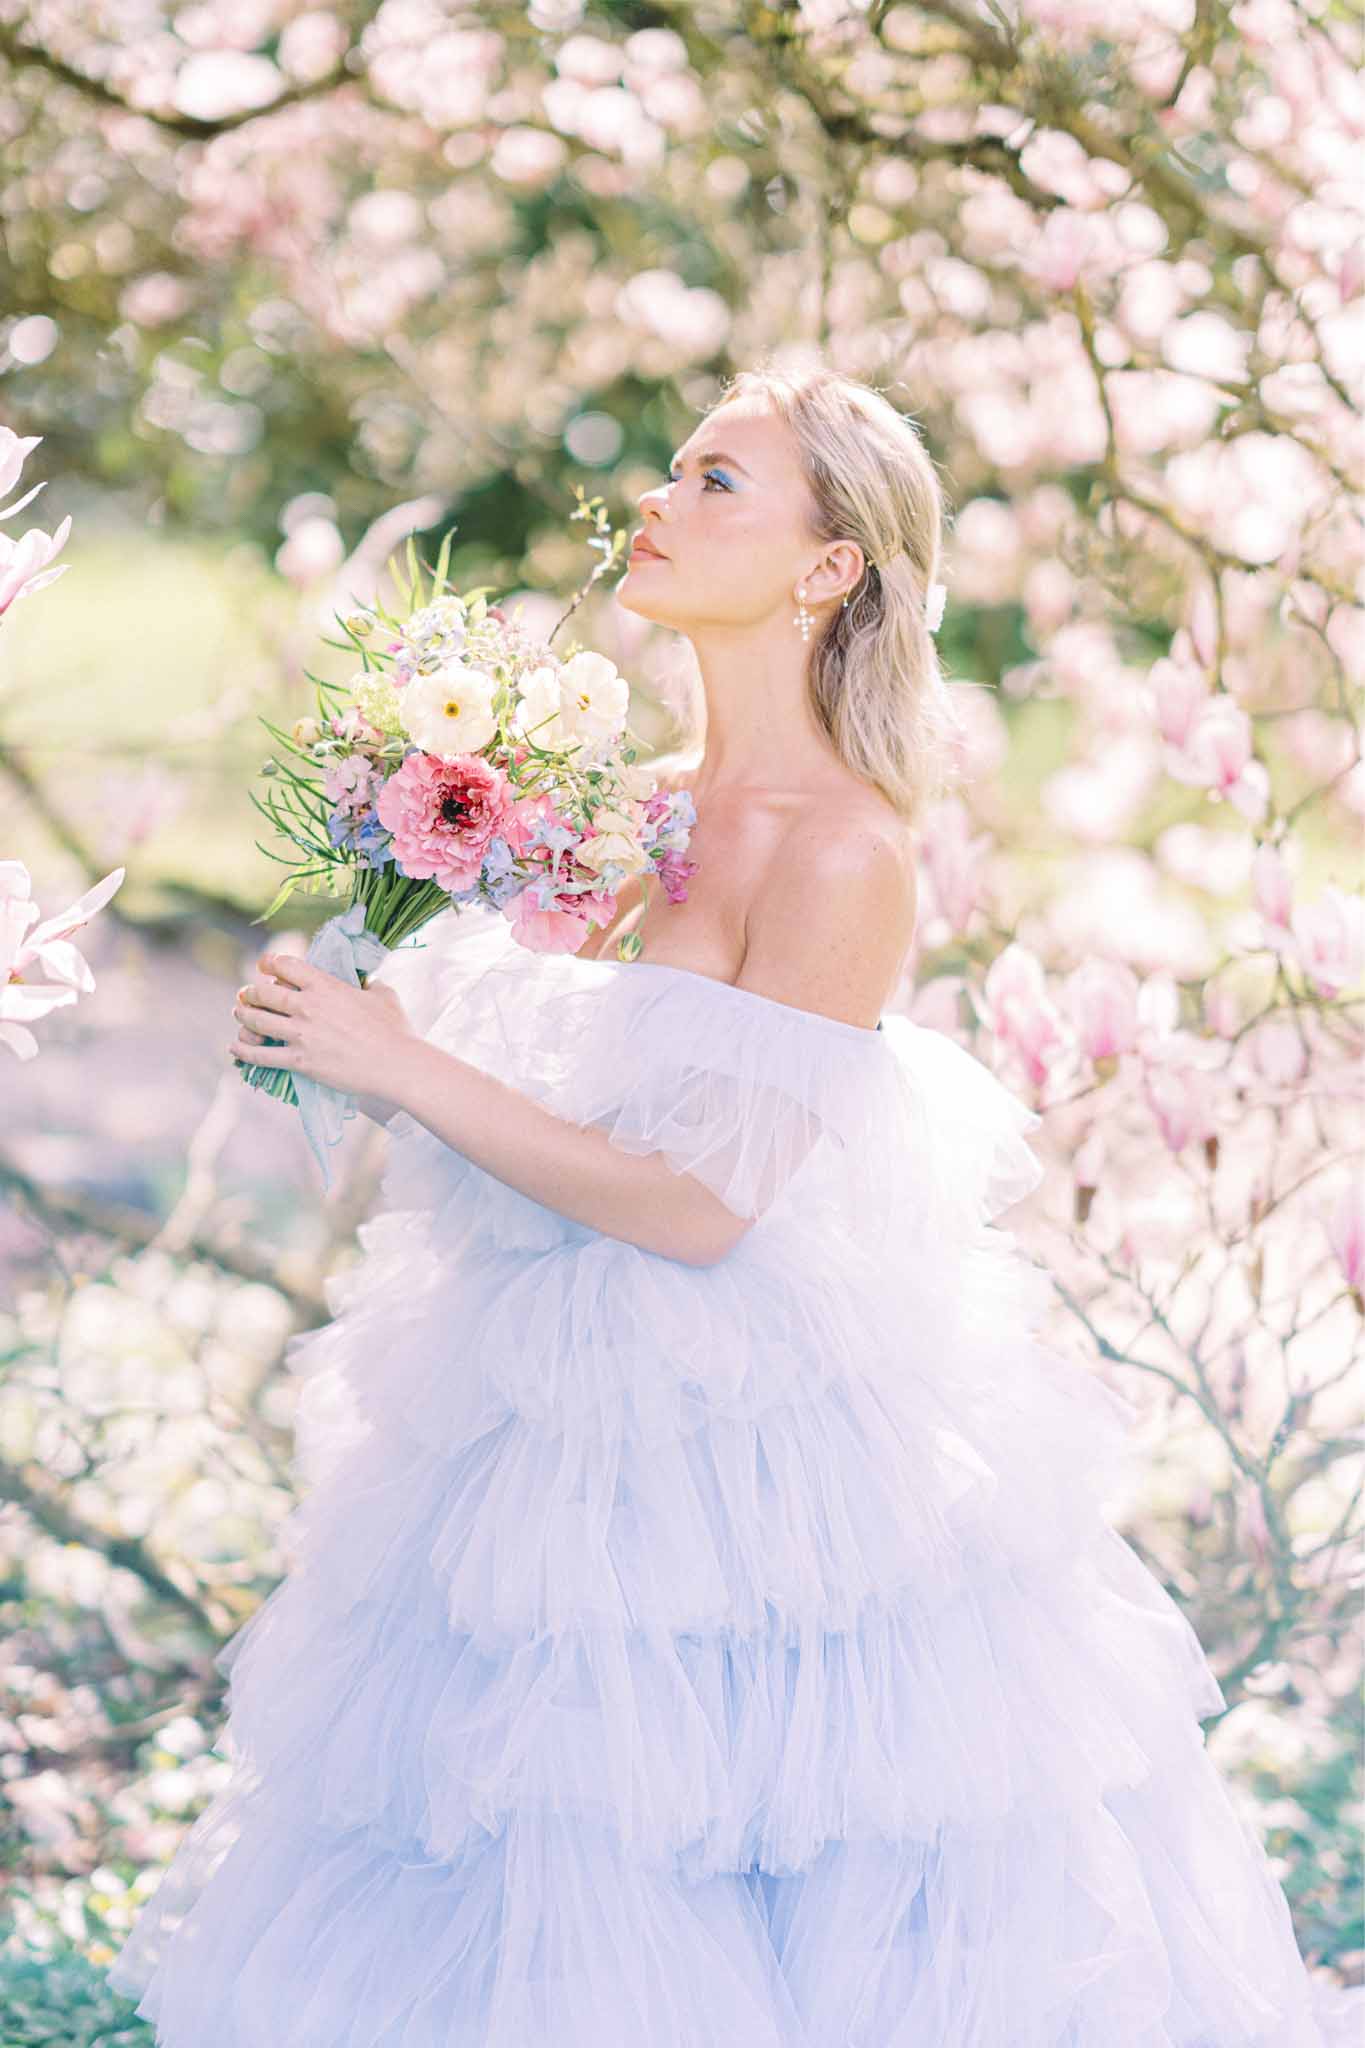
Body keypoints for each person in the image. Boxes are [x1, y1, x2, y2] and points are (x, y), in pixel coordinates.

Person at [107, 366, 1361, 2044]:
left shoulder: (843, 853)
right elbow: (541, 1091)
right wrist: (358, 1004)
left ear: (825, 568)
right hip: (534, 1421)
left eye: (715, 482)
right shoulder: (621, 807)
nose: (657, 498)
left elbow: (704, 1207)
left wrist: (404, 1069)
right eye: (674, 467)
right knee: (516, 1838)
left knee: (737, 1855)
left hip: (754, 1468)